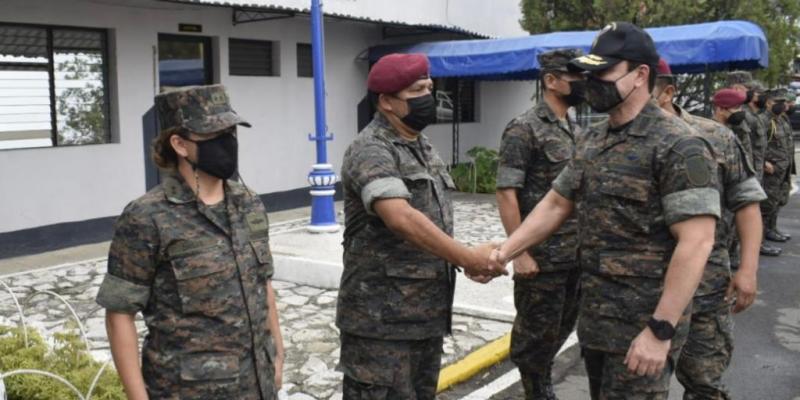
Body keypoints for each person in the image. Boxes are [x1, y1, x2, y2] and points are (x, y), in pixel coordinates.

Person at [490, 22, 721, 399]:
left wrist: (660, 330)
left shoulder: (678, 145)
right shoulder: (594, 138)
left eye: (603, 72)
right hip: (597, 320)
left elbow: (697, 242)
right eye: (589, 72)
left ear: (640, 75)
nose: (591, 81)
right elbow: (555, 203)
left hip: (643, 326)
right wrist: (506, 252)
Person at [96, 84, 284, 400]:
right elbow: (119, 313)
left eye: (231, 133)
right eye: (215, 136)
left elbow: (261, 282)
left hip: (258, 382)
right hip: (189, 389)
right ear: (180, 144)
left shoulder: (249, 202)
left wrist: (277, 351)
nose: (228, 144)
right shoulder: (146, 216)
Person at [336, 53, 504, 399]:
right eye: (417, 90)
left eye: (430, 87)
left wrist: (461, 257)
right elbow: (401, 217)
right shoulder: (370, 149)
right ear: (386, 102)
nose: (429, 97)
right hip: (380, 323)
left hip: (424, 316)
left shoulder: (422, 144)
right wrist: (468, 257)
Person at [654, 69, 767, 398]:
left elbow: (747, 205)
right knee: (639, 388)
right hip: (642, 292)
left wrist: (747, 270)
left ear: (667, 93)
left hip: (706, 287)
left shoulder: (714, 136)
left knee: (705, 383)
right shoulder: (618, 141)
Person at [495, 48, 584, 400]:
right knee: (536, 332)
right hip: (542, 257)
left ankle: (541, 378)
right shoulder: (524, 128)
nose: (583, 83)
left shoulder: (574, 127)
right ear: (551, 81)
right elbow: (506, 193)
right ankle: (536, 389)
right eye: (575, 77)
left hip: (574, 253)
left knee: (563, 326)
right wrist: (520, 252)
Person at [762, 89, 793, 246]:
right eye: (778, 102)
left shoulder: (782, 119)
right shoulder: (764, 120)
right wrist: (763, 163)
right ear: (768, 103)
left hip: (783, 168)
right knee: (766, 205)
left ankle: (771, 229)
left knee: (777, 201)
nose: (783, 105)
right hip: (770, 170)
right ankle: (759, 240)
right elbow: (758, 146)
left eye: (784, 102)